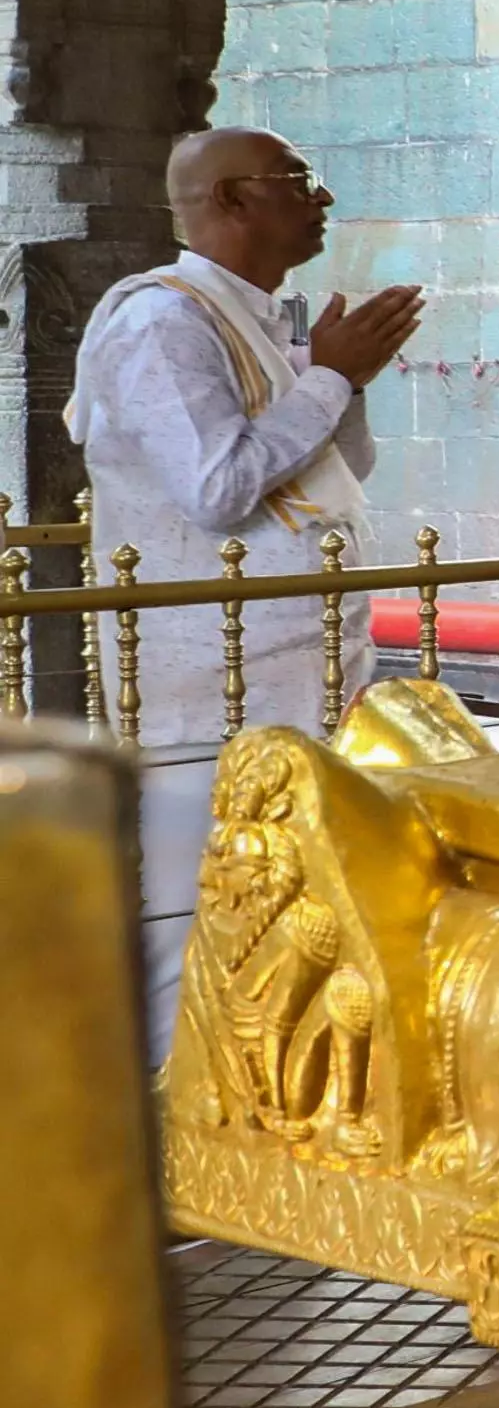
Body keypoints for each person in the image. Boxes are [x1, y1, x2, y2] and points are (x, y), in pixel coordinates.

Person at [65, 129, 423, 1056]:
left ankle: (258, 1133)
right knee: (193, 927)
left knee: (299, 923)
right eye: (296, 181)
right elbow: (217, 489)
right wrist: (332, 375)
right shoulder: (160, 320)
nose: (322, 197)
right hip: (201, 685)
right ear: (230, 201)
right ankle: (162, 1158)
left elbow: (339, 471)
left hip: (301, 673)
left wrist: (342, 380)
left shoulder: (273, 315)